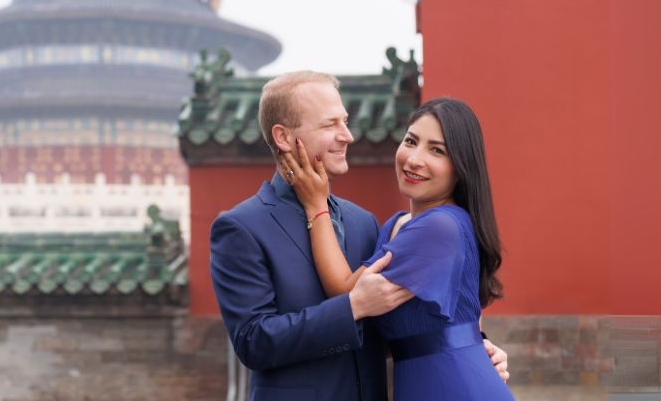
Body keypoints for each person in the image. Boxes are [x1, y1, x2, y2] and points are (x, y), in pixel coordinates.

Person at [209, 72, 507, 401]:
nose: (348, 136)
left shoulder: (362, 222)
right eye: (330, 125)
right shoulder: (241, 227)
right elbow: (254, 342)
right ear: (283, 137)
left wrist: (472, 344)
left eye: (345, 122)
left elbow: (388, 326)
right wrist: (352, 307)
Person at [281, 96, 514, 400]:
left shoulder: (440, 227)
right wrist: (476, 340)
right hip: (427, 381)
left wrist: (315, 205)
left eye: (437, 150)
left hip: (455, 386)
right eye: (411, 141)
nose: (414, 159)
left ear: (461, 167)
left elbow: (347, 295)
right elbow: (457, 309)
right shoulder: (398, 224)